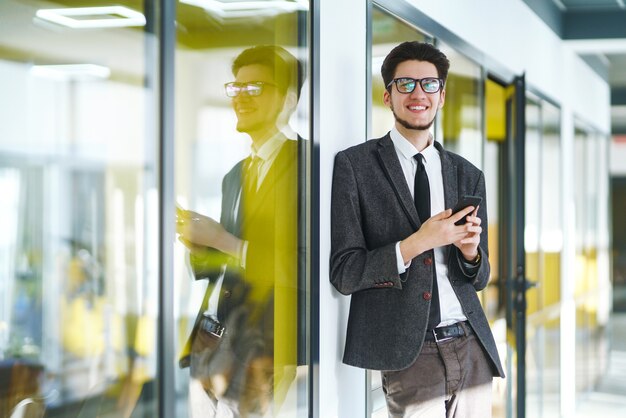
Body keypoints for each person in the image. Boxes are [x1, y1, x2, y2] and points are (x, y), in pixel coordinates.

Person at [330, 41, 504, 418]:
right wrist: (414, 245)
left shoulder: (467, 173)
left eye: (429, 85)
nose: (417, 94)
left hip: (471, 342)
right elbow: (344, 272)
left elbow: (481, 276)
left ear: (441, 96)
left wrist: (471, 254)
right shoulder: (355, 167)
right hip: (409, 351)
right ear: (387, 96)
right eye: (405, 84)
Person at [176, 45, 304, 417]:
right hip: (210, 338)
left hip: (260, 346)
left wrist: (223, 240)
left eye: (256, 88)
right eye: (237, 88)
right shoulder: (235, 175)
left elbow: (307, 267)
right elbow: (225, 261)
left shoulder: (309, 166)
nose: (241, 99)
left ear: (289, 100)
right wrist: (198, 240)